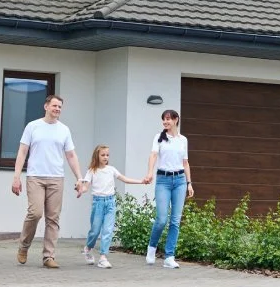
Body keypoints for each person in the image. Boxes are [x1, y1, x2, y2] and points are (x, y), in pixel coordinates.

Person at [9, 94, 84, 269]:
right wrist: (16, 176)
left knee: (53, 218)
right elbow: (22, 152)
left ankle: (48, 256)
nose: (57, 109)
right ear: (46, 106)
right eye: (54, 106)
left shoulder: (64, 130)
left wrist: (80, 178)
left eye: (60, 107)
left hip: (56, 178)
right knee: (35, 213)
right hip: (35, 176)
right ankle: (23, 246)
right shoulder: (33, 126)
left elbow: (71, 155)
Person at [75, 144, 149, 268]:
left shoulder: (111, 169)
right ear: (97, 156)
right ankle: (88, 248)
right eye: (103, 155)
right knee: (95, 230)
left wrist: (141, 181)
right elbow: (86, 187)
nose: (105, 157)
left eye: (107, 155)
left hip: (110, 202)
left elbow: (124, 179)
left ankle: (103, 257)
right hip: (98, 203)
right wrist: (80, 190)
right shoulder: (92, 171)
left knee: (108, 230)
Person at [143, 109, 193, 269]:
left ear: (176, 120)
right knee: (161, 219)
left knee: (175, 221)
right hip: (163, 180)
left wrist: (189, 183)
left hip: (179, 180)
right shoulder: (159, 138)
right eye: (164, 119)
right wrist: (150, 172)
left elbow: (185, 163)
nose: (165, 122)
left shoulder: (183, 140)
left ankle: (169, 257)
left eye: (168, 119)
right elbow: (153, 156)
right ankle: (151, 248)